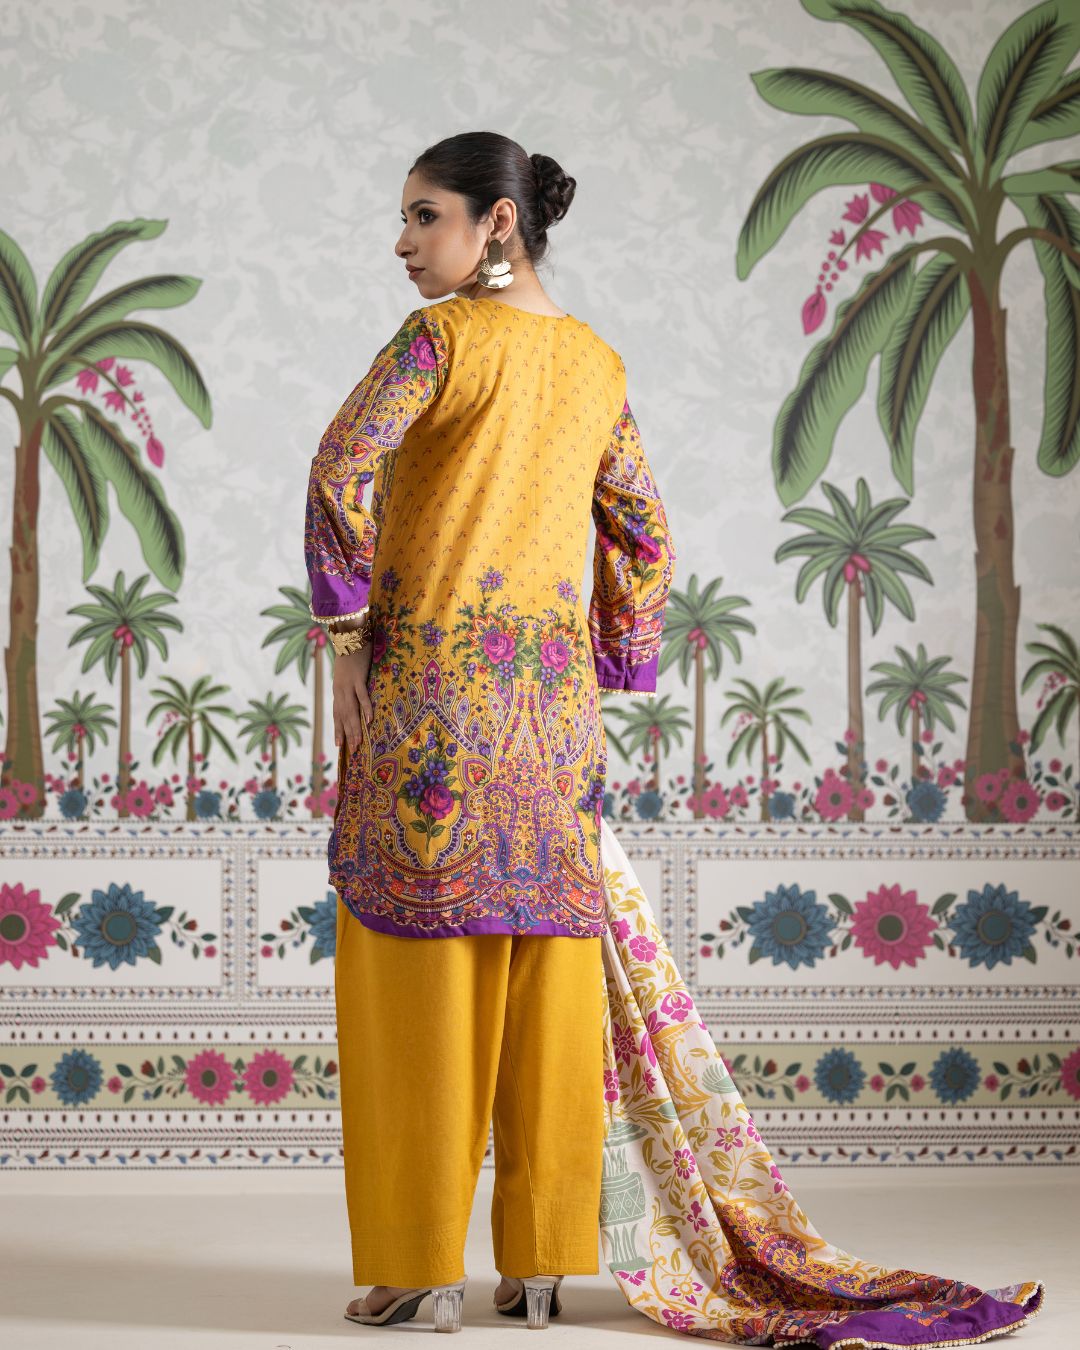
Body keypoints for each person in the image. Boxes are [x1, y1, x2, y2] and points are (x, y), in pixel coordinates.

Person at [303, 130, 675, 1333]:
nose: (403, 243)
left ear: (496, 224)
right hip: (552, 723)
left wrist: (346, 637)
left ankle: (419, 1271)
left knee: (417, 982)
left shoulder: (440, 342)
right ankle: (543, 1266)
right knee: (545, 980)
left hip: (429, 704)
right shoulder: (598, 364)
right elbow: (644, 534)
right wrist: (613, 658)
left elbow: (340, 470)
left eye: (426, 216)